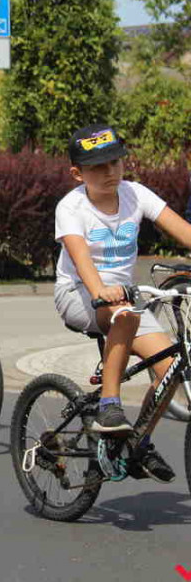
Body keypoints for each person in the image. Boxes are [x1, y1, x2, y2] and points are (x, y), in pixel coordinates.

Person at [54, 124, 191, 483]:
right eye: (98, 167)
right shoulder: (71, 206)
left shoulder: (135, 194)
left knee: (171, 368)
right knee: (125, 315)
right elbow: (81, 259)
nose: (110, 172)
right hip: (78, 294)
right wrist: (101, 289)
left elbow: (183, 231)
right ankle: (109, 406)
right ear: (77, 173)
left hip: (124, 298)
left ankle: (138, 444)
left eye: (115, 162)